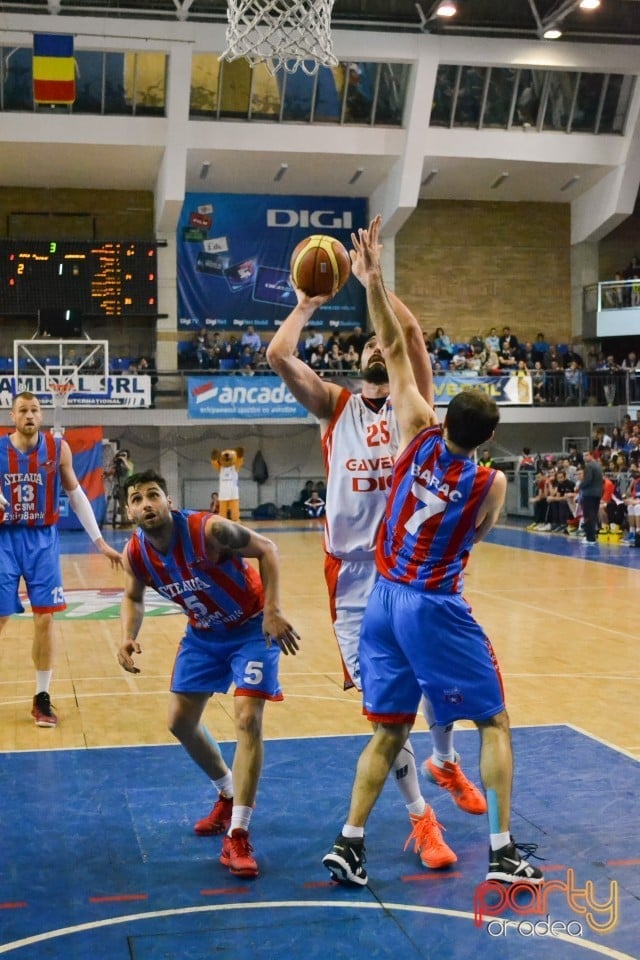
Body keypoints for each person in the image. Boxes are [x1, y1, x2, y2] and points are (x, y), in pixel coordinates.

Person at [322, 215, 542, 888]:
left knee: (388, 729)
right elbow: (475, 534)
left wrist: (373, 279)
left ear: (445, 419)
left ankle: (350, 843)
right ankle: (504, 851)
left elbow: (393, 341)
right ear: (490, 436)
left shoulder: (413, 428)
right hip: (431, 601)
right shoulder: (490, 481)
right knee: (495, 720)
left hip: (381, 598)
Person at [268, 229, 486, 874]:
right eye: (361, 342)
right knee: (386, 714)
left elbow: (408, 340)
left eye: (376, 341)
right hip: (353, 578)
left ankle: (445, 760)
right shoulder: (336, 407)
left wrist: (374, 284)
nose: (372, 347)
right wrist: (308, 302)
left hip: (412, 570)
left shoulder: (413, 404)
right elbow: (281, 357)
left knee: (437, 684)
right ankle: (422, 817)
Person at [117, 470, 300, 879]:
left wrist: (272, 610)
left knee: (248, 720)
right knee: (179, 722)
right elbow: (132, 596)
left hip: (252, 628)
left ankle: (238, 832)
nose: (146, 503)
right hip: (203, 635)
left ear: (169, 500)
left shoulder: (209, 530)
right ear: (129, 512)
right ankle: (226, 792)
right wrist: (128, 636)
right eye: (137, 499)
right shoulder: (136, 554)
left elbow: (267, 549)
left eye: (153, 495)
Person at [0, 391, 123, 727]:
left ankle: (41, 697)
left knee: (45, 619)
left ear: (41, 416)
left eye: (34, 410)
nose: (29, 415)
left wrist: (99, 542)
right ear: (12, 416)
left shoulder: (57, 450)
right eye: (22, 410)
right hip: (4, 540)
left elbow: (77, 496)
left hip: (42, 540)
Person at [578, 451, 604, 543]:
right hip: (597, 493)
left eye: (586, 455)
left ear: (591, 455)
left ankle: (590, 538)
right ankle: (593, 536)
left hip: (589, 494)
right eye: (583, 455)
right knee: (593, 514)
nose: (585, 457)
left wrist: (580, 486)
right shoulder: (598, 465)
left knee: (588, 515)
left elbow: (588, 480)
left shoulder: (589, 466)